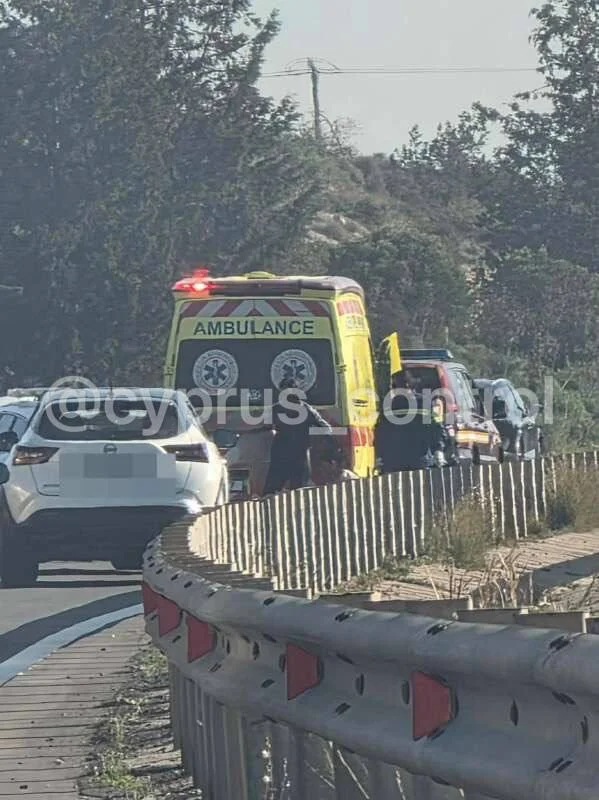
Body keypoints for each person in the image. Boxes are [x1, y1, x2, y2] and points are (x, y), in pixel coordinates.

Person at [262, 377, 332, 495]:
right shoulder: (305, 409)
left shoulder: (277, 409)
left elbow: (265, 426)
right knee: (298, 492)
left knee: (275, 491)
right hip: (294, 454)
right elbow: (326, 429)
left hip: (287, 454)